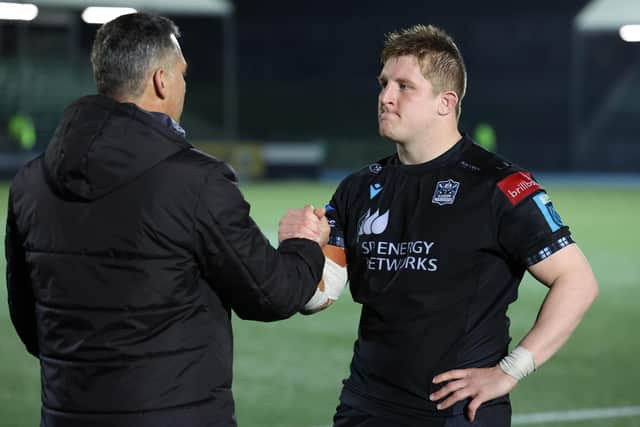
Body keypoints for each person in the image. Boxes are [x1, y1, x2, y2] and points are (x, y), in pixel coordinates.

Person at [5, 13, 329, 427]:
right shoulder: (197, 181)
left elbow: (31, 323)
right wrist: (302, 243)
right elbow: (274, 294)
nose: (184, 85)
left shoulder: (29, 184)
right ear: (161, 81)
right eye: (182, 74)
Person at [302, 24, 599, 427]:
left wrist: (510, 370)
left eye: (404, 86)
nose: (386, 97)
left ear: (446, 102)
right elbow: (320, 295)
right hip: (365, 408)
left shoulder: (499, 185)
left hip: (457, 413)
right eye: (384, 83)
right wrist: (305, 245)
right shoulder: (358, 188)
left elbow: (577, 280)